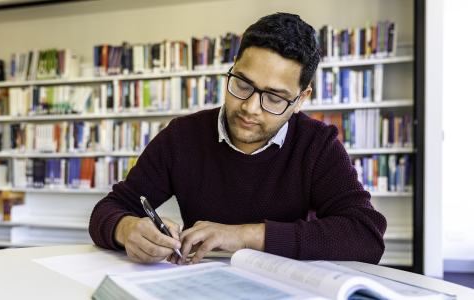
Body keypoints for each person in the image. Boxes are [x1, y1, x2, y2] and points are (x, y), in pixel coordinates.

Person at [89, 12, 387, 266]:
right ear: (233, 66)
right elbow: (111, 207)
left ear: (301, 99)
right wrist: (127, 229)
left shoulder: (317, 145)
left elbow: (366, 234)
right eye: (243, 84)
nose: (249, 107)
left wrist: (242, 235)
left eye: (274, 98)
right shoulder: (182, 137)